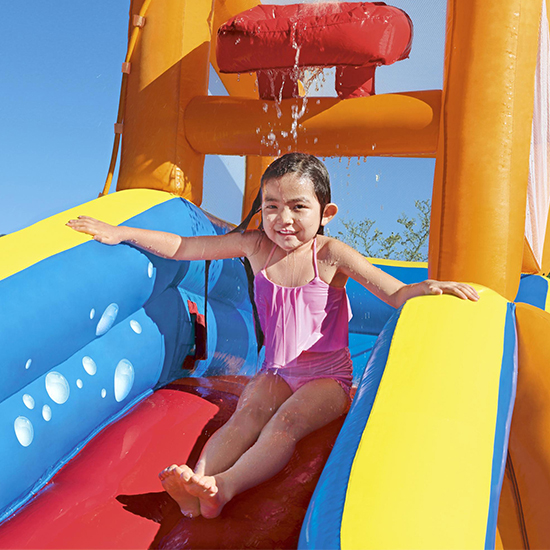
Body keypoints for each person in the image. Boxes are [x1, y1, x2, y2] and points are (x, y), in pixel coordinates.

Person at [67, 153, 479, 519]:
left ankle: (223, 488)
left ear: (326, 212)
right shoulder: (255, 246)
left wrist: (428, 288)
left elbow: (395, 293)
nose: (283, 219)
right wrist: (123, 233)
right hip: (276, 371)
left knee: (285, 423)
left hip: (327, 380)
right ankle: (196, 483)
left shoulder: (329, 254)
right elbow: (184, 247)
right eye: (272, 206)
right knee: (245, 416)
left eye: (298, 207)